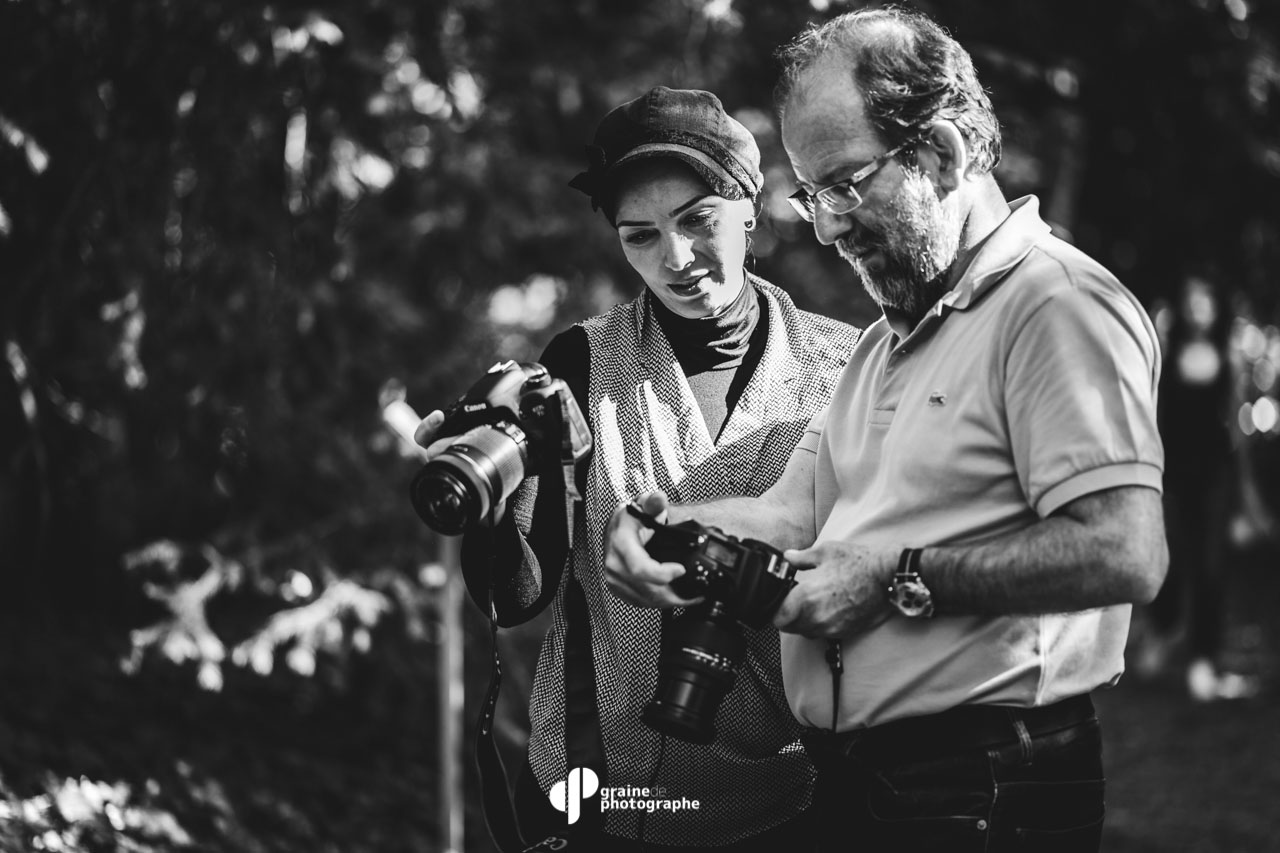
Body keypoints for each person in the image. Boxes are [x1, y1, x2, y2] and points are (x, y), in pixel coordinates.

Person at [604, 9, 1168, 852]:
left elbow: (1124, 551)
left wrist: (895, 578)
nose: (828, 227)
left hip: (984, 786)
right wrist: (661, 532)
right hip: (858, 785)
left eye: (845, 186)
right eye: (812, 194)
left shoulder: (1056, 307)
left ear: (939, 152)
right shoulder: (882, 342)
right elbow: (790, 513)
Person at [416, 86, 860, 851]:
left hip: (787, 800)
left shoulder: (847, 369)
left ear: (749, 208)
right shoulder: (581, 364)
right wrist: (485, 496)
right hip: (592, 792)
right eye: (640, 236)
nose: (675, 259)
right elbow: (521, 594)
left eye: (697, 221)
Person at [1139, 275, 1257, 701]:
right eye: (1190, 299)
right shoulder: (1166, 350)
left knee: (1210, 566)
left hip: (1214, 476)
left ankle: (1203, 662)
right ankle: (1163, 631)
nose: (1196, 307)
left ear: (1215, 304)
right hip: (1172, 471)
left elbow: (1237, 427)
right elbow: (1154, 414)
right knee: (1165, 556)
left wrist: (1246, 494)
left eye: (1204, 299)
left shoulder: (1229, 353)